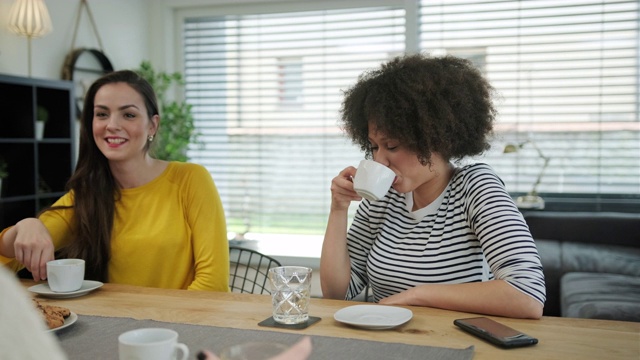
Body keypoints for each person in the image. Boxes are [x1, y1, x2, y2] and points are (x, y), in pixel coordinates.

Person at [320, 53, 546, 319]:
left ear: (437, 139)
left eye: (392, 145)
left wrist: (419, 295)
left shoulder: (474, 188)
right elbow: (337, 293)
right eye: (374, 147)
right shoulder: (383, 197)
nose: (379, 159)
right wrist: (338, 208)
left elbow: (527, 295)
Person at [0, 70, 229, 291]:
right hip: (116, 327)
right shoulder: (86, 196)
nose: (112, 125)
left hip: (183, 327)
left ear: (152, 125)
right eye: (102, 114)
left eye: (128, 114)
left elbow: (213, 284)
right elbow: (8, 261)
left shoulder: (191, 180)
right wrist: (26, 226)